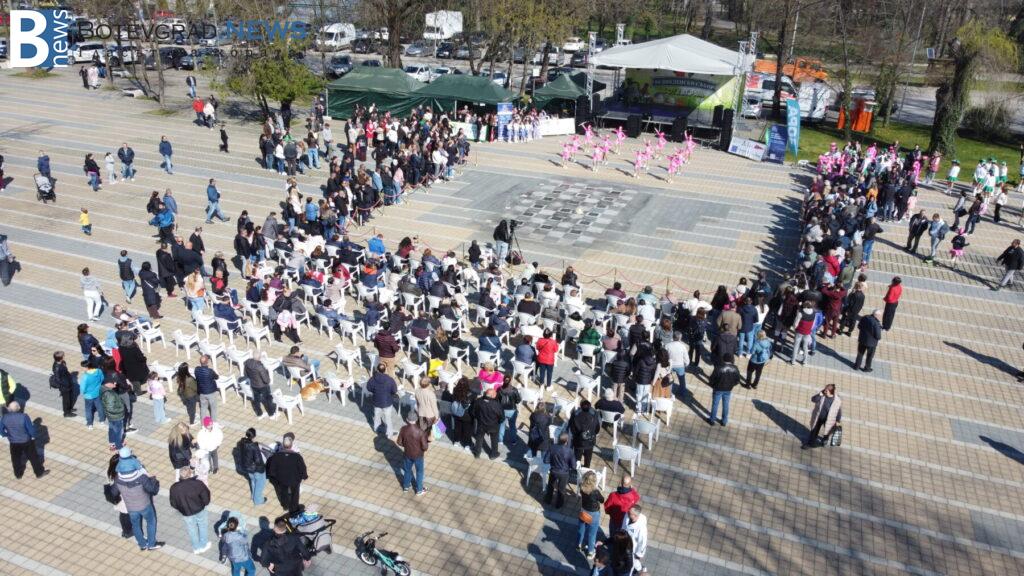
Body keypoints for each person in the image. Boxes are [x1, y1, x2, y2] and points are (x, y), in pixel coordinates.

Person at [110, 447, 163, 551]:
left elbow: (114, 493)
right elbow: (153, 490)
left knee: (136, 525)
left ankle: (142, 544)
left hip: (131, 508)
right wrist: (153, 480)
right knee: (151, 522)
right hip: (145, 505)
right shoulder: (141, 477)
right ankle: (151, 544)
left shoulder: (118, 479)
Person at [169, 465, 212, 554]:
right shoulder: (198, 484)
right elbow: (206, 497)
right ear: (189, 474)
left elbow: (173, 503)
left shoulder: (174, 488)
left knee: (191, 529)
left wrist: (181, 509)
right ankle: (203, 545)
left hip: (186, 512)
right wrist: (204, 504)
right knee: (202, 526)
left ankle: (196, 548)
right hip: (200, 509)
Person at [0, 401, 49, 479]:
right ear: (18, 408)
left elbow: (1, 431)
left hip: (13, 442)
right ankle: (39, 473)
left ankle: (18, 474)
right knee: (33, 457)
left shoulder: (4, 418)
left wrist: (7, 435)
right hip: (26, 441)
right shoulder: (24, 417)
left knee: (15, 458)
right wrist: (33, 436)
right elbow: (31, 430)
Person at [265, 433, 307, 512]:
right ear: (291, 446)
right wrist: (304, 476)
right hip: (294, 480)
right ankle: (294, 508)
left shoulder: (275, 456)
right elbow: (302, 468)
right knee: (295, 494)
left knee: (283, 493)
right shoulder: (297, 456)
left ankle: (285, 506)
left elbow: (271, 470)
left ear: (283, 446)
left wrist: (274, 479)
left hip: (281, 480)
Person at [396, 411, 429, 495]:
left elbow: (399, 442)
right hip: (418, 456)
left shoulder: (403, 429)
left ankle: (406, 487)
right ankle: (419, 490)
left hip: (407, 454)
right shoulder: (421, 432)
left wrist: (406, 446)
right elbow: (425, 447)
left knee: (407, 470)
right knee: (419, 472)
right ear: (416, 419)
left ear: (407, 419)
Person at [802, 384, 843, 449]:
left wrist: (838, 421)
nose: (824, 391)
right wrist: (819, 394)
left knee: (827, 431)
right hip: (818, 417)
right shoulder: (822, 395)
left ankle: (825, 440)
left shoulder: (836, 401)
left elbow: (838, 411)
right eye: (825, 389)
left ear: (831, 392)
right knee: (814, 430)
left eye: (826, 391)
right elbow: (813, 399)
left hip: (829, 419)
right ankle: (810, 443)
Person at [577, 470, 605, 560]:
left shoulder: (581, 486)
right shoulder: (595, 492)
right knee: (592, 534)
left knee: (581, 529)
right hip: (593, 514)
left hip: (583, 511)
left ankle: (579, 545)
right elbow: (602, 500)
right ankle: (590, 552)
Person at [707, 353, 740, 426]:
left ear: (723, 359)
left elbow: (712, 379)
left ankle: (712, 420)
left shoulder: (718, 368)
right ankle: (724, 421)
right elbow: (737, 380)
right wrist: (732, 385)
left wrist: (713, 386)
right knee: (726, 405)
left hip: (717, 389)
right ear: (731, 359)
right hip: (728, 389)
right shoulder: (735, 368)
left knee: (715, 404)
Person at [366, 363, 398, 437]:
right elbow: (394, 390)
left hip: (376, 401)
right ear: (385, 370)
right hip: (387, 402)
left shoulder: (372, 379)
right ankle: (389, 433)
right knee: (388, 419)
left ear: (377, 370)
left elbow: (368, 388)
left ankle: (376, 429)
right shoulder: (390, 380)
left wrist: (375, 392)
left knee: (377, 416)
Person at [237, 428, 268, 505]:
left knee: (253, 481)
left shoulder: (241, 443)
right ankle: (258, 500)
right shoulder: (253, 446)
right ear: (254, 436)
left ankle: (253, 495)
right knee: (260, 483)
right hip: (256, 469)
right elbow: (258, 460)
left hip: (247, 468)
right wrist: (263, 466)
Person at [544, 433, 574, 508]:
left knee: (550, 486)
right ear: (567, 441)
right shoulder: (569, 451)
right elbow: (573, 466)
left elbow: (545, 460)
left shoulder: (552, 447)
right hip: (564, 473)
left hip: (553, 471)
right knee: (561, 489)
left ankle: (548, 500)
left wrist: (553, 462)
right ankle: (558, 505)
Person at [471, 387, 503, 459]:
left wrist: (478, 418)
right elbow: (502, 417)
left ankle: (477, 453)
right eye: (495, 394)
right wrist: (498, 422)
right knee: (494, 440)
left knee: (479, 439)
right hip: (493, 426)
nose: (496, 395)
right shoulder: (497, 405)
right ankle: (493, 454)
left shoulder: (478, 401)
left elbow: (473, 412)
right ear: (492, 396)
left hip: (481, 424)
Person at [569, 400, 601, 467]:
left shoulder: (575, 414)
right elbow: (597, 429)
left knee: (577, 459)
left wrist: (577, 436)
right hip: (590, 441)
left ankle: (576, 470)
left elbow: (572, 429)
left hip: (578, 442)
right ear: (590, 407)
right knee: (588, 459)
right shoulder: (595, 415)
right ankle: (586, 469)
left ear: (580, 406)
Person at [622, 504, 649, 574]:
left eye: (630, 513)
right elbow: (623, 527)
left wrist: (639, 554)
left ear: (635, 515)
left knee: (631, 564)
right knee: (633, 561)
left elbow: (642, 542)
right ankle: (640, 569)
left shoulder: (641, 528)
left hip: (633, 549)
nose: (627, 513)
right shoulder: (627, 515)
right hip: (625, 544)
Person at [101, 380, 127, 450]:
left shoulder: (103, 389)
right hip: (116, 416)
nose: (115, 383)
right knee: (118, 431)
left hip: (110, 416)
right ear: (108, 383)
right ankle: (119, 446)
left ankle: (112, 443)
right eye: (113, 382)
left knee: (112, 429)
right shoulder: (109, 394)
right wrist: (121, 410)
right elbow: (111, 408)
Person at [51, 351, 78, 417]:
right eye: (63, 356)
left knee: (70, 397)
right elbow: (58, 379)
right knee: (66, 400)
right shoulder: (57, 367)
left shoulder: (62, 363)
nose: (64, 357)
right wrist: (65, 384)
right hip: (64, 386)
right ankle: (66, 413)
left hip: (68, 382)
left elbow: (66, 371)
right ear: (60, 358)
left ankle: (70, 408)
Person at [195, 355, 220, 422]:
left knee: (203, 408)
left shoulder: (196, 370)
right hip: (211, 392)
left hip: (202, 392)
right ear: (207, 362)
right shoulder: (210, 371)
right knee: (213, 408)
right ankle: (214, 423)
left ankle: (203, 424)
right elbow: (217, 377)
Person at [497, 378, 521, 446]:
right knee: (512, 426)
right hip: (512, 410)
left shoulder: (499, 389)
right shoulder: (514, 390)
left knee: (501, 425)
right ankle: (513, 441)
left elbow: (497, 399)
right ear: (510, 382)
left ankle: (500, 440)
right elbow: (518, 400)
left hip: (502, 410)